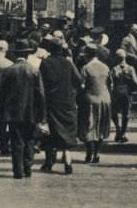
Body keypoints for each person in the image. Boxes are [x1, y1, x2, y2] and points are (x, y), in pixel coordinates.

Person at [0, 38, 46, 180]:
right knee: (30, 140)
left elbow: (1, 93)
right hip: (30, 111)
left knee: (16, 142)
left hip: (13, 112)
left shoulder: (8, 71)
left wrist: (3, 111)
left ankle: (17, 171)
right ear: (27, 55)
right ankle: (27, 167)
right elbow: (40, 94)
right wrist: (41, 114)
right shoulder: (34, 70)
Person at [39, 36, 83, 174]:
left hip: (51, 102)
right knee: (66, 133)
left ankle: (49, 162)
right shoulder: (68, 63)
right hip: (67, 102)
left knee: (50, 134)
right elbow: (79, 80)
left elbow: (41, 84)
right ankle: (68, 161)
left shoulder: (45, 63)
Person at [78, 43, 111, 164]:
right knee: (101, 126)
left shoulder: (86, 68)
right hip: (105, 99)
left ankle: (89, 153)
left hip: (90, 99)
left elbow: (82, 85)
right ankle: (97, 153)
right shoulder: (105, 67)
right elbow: (109, 84)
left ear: (87, 55)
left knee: (88, 126)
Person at [110, 48, 137, 142]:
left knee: (114, 113)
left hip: (116, 93)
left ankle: (118, 129)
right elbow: (136, 82)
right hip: (127, 93)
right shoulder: (131, 69)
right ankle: (123, 132)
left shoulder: (114, 69)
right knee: (126, 114)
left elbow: (111, 83)